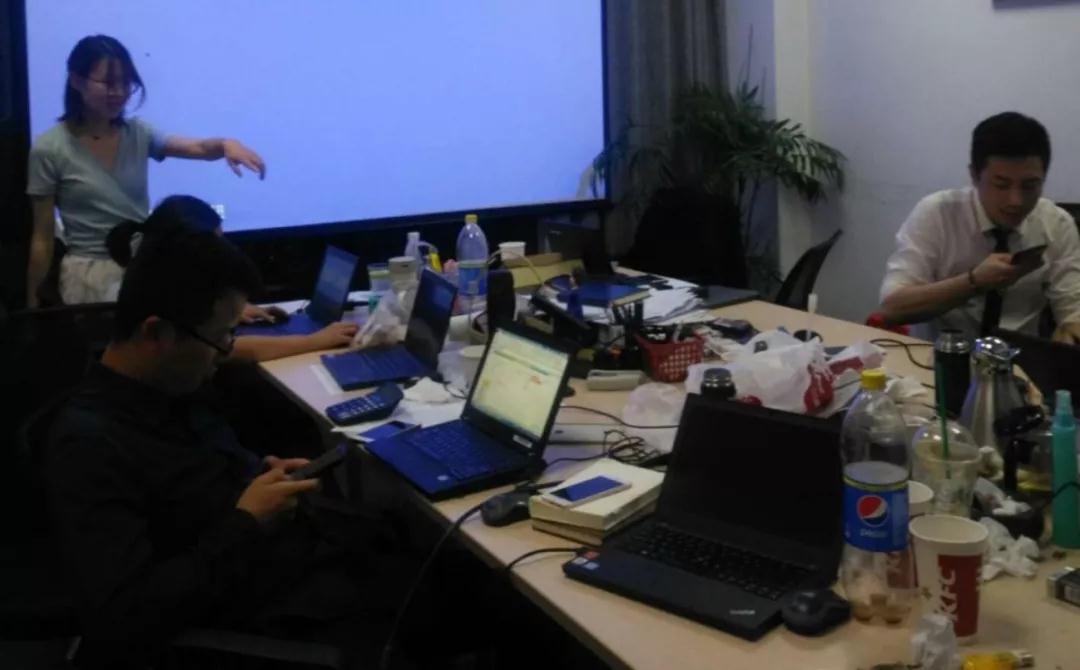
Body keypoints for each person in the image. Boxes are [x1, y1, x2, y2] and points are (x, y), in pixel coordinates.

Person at [42, 229, 488, 669]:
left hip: (306, 564)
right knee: (490, 604)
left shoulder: (167, 392)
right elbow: (125, 615)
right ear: (157, 333)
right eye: (221, 337)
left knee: (467, 572)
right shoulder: (90, 446)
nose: (225, 354)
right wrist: (247, 521)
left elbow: (194, 489)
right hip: (282, 612)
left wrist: (258, 475)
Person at [25, 34, 266, 307]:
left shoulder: (138, 133)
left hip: (141, 268)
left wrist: (225, 144)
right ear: (76, 80)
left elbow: (197, 147)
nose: (119, 92)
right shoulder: (49, 148)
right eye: (108, 82)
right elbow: (42, 238)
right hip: (86, 277)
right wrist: (33, 306)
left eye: (126, 82)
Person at [880, 112, 1080, 342]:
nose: (1016, 200)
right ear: (974, 175)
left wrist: (1071, 331)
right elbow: (892, 308)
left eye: (1030, 186)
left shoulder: (1057, 224)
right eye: (1001, 185)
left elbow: (1073, 309)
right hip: (938, 356)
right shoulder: (937, 213)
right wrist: (973, 282)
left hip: (1019, 359)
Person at [107, 195, 358, 362]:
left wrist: (232, 312)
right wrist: (315, 341)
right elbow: (234, 351)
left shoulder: (148, 279)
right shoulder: (167, 299)